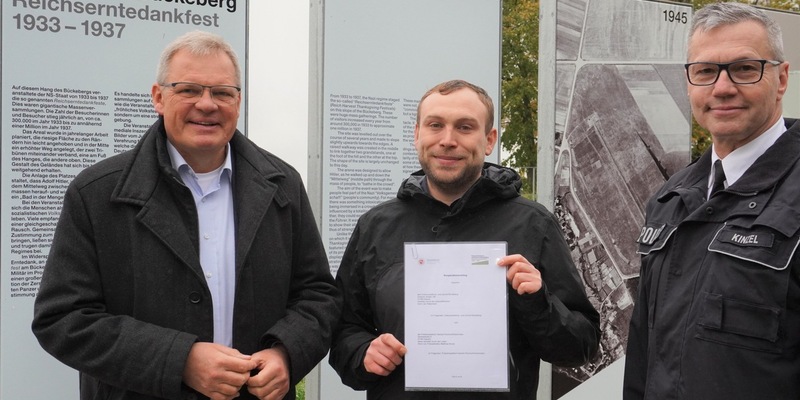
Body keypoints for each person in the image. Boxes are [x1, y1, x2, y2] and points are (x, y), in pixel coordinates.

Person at [31, 31, 340, 400]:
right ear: (158, 98)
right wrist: (180, 360)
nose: (207, 104)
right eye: (189, 89)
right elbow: (63, 319)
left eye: (222, 92)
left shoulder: (282, 185)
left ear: (238, 102)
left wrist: (285, 352)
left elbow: (318, 294)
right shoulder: (97, 193)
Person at [329, 79, 600, 399]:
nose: (447, 140)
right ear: (416, 134)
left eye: (464, 127)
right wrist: (363, 353)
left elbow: (582, 347)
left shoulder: (532, 226)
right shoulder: (376, 228)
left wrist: (539, 302)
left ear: (489, 140)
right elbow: (342, 331)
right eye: (435, 125)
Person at [623, 3, 798, 399]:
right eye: (705, 71)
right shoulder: (669, 200)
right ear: (689, 84)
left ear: (782, 78)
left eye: (744, 68)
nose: (722, 88)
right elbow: (643, 354)